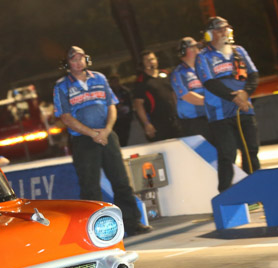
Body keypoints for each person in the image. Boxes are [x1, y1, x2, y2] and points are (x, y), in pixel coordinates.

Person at [53, 45, 152, 236]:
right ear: (67, 63)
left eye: (81, 58)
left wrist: (107, 130)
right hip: (83, 140)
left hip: (107, 136)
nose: (78, 62)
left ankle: (132, 223)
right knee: (90, 187)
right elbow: (65, 117)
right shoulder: (61, 85)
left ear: (87, 59)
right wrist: (92, 134)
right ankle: (97, 231)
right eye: (74, 59)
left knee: (121, 181)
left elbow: (111, 106)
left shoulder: (99, 78)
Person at [195, 16, 260, 192]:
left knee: (251, 150)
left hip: (245, 109)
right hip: (220, 114)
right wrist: (236, 98)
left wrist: (245, 93)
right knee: (227, 153)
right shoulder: (203, 57)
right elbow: (210, 82)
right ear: (209, 34)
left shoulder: (239, 51)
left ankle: (256, 190)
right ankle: (224, 193)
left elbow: (253, 75)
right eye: (219, 29)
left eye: (226, 28)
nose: (224, 32)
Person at [134, 50, 182, 141]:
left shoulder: (165, 74)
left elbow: (174, 93)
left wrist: (179, 112)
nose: (151, 62)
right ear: (142, 63)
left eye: (152, 59)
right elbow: (138, 104)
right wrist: (146, 124)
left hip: (174, 119)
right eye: (147, 60)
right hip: (157, 122)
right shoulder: (141, 81)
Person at [170, 37, 211, 141]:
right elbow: (186, 95)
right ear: (185, 51)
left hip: (212, 116)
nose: (198, 50)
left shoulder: (205, 68)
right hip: (194, 123)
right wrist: (213, 101)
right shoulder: (178, 73)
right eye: (194, 47)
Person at [108, 74, 133, 146]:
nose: (115, 83)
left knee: (124, 136)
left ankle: (124, 146)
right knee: (116, 136)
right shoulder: (109, 92)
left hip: (125, 118)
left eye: (116, 81)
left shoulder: (125, 91)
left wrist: (129, 116)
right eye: (113, 82)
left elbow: (130, 104)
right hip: (114, 119)